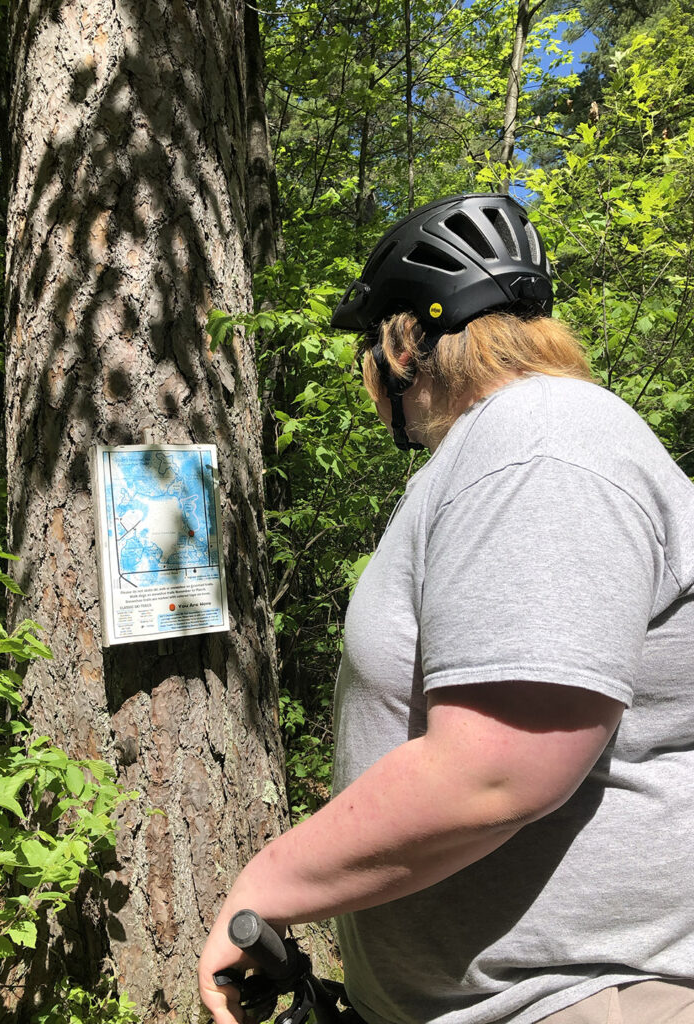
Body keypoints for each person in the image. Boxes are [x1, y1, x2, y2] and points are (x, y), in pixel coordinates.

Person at [198, 193, 694, 1024]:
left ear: (400, 344)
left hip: (581, 1000)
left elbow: (498, 764)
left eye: (369, 349)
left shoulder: (539, 440)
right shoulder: (508, 449)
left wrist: (271, 884)